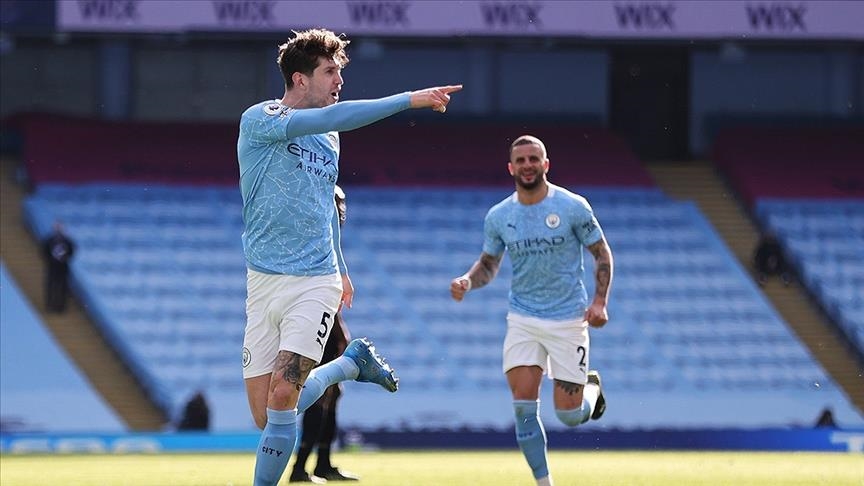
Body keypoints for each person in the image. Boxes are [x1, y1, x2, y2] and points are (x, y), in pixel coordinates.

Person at [237, 28, 461, 486]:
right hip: (262, 282)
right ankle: (350, 364)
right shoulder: (261, 118)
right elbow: (334, 116)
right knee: (266, 416)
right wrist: (408, 99)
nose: (339, 79)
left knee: (282, 397)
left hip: (314, 280)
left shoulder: (330, 135)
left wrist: (340, 268)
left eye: (339, 71)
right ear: (300, 79)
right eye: (330, 71)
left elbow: (325, 204)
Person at [450, 135, 613, 486]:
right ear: (510, 168)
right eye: (521, 160)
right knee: (523, 407)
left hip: (568, 319)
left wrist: (599, 301)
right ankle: (544, 483)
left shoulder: (572, 206)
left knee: (569, 416)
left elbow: (601, 253)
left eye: (533, 159)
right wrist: (467, 281)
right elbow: (489, 264)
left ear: (546, 164)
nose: (527, 165)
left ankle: (592, 391)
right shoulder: (500, 216)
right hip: (523, 318)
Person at [290, 186, 357, 483]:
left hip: (325, 320)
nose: (340, 211)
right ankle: (300, 466)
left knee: (333, 393)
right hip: (315, 321)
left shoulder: (325, 243)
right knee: (320, 394)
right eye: (336, 205)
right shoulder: (317, 242)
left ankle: (322, 463)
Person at [41, 220, 76, 313]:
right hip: (52, 267)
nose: (58, 229)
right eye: (57, 227)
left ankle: (61, 307)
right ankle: (50, 306)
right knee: (51, 286)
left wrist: (64, 259)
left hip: (63, 267)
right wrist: (50, 260)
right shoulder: (49, 240)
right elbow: (44, 251)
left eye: (60, 227)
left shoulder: (67, 241)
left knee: (63, 287)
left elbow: (72, 251)